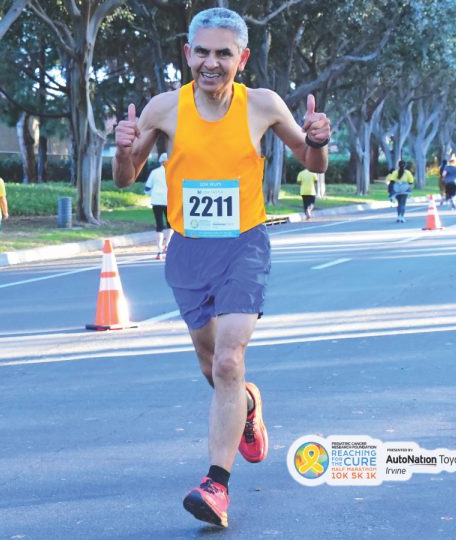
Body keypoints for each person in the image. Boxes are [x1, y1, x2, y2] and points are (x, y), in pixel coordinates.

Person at [112, 7, 331, 529]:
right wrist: (122, 151)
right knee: (214, 369)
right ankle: (249, 409)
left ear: (242, 58)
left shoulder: (263, 105)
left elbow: (312, 163)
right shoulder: (165, 109)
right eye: (202, 52)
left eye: (223, 54)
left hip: (244, 246)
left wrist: (318, 142)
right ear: (187, 54)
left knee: (231, 361)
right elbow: (126, 176)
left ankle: (216, 485)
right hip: (189, 250)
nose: (211, 63)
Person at [144, 153, 173, 259]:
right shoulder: (172, 172)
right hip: (169, 201)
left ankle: (159, 250)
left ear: (160, 161)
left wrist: (151, 193)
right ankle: (167, 244)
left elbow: (147, 188)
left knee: (159, 226)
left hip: (156, 201)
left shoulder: (154, 172)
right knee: (171, 225)